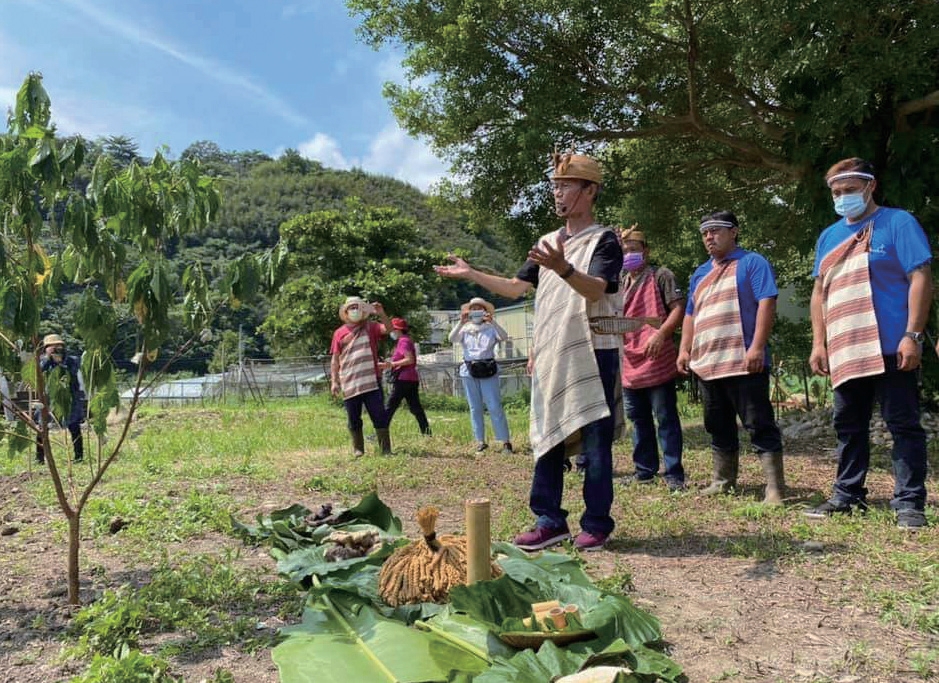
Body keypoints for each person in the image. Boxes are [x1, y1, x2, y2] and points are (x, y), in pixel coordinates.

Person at [435, 150, 624, 552]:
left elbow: (599, 289)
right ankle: (549, 520)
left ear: (590, 190)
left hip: (594, 348)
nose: (557, 194)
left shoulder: (604, 240)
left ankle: (596, 523)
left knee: (594, 439)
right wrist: (471, 273)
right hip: (554, 350)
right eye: (554, 186)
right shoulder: (547, 243)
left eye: (566, 186)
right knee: (548, 432)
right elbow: (514, 288)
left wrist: (564, 268)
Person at [806, 158, 931, 530]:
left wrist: (913, 334)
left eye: (849, 190)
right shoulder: (829, 237)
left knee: (903, 424)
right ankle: (847, 495)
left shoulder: (898, 223)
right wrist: (819, 342)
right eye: (836, 192)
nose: (843, 197)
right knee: (848, 424)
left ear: (870, 186)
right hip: (846, 347)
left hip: (893, 344)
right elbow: (819, 292)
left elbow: (920, 277)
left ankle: (909, 502)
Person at [676, 211, 785, 504]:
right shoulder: (699, 273)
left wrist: (757, 347)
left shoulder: (752, 262)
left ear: (734, 232)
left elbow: (766, 302)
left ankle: (774, 488)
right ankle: (723, 480)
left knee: (759, 422)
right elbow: (690, 314)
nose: (709, 237)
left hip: (744, 360)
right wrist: (685, 349)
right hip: (708, 362)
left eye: (715, 230)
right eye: (704, 233)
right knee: (717, 423)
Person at [618, 226, 687, 491]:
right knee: (638, 418)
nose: (629, 255)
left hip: (656, 355)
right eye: (624, 251)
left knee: (665, 416)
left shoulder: (661, 276)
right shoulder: (620, 281)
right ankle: (644, 470)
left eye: (633, 250)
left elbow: (678, 308)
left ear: (645, 250)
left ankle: (674, 473)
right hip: (629, 359)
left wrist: (660, 335)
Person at [330, 296, 392, 456]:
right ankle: (358, 449)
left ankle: (385, 449)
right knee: (354, 418)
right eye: (351, 307)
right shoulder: (339, 333)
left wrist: (382, 313)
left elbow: (389, 329)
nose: (355, 310)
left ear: (363, 310)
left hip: (371, 380)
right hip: (349, 381)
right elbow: (335, 359)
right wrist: (334, 381)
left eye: (357, 307)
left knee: (379, 415)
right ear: (346, 312)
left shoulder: (370, 327)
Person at [448, 298, 512, 453]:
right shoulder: (465, 328)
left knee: (494, 405)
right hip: (469, 369)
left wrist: (493, 322)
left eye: (479, 309)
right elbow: (452, 339)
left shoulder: (490, 328)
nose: (476, 311)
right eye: (473, 309)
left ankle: (505, 441)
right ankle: (480, 441)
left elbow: (504, 337)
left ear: (485, 311)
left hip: (488, 367)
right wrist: (461, 322)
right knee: (475, 407)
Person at [35, 333, 86, 464]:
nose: (56, 349)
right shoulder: (43, 361)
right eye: (52, 347)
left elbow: (74, 373)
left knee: (74, 426)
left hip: (70, 398)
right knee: (42, 428)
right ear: (46, 349)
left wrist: (61, 363)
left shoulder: (72, 360)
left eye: (59, 346)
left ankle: (79, 456)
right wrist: (49, 359)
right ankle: (39, 458)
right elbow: (38, 373)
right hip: (49, 399)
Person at [381, 317, 431, 436]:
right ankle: (427, 432)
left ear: (397, 330)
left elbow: (409, 359)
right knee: (415, 408)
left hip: (403, 379)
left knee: (390, 407)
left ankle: (380, 432)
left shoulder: (403, 341)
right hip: (411, 379)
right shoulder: (407, 340)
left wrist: (391, 364)